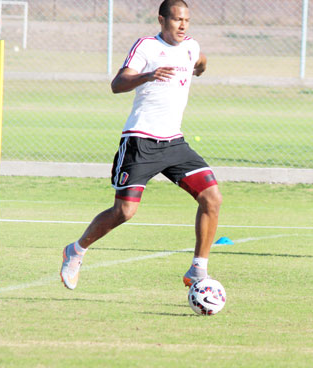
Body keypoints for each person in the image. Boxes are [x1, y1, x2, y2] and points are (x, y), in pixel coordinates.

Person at [60, 0, 222, 290]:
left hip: (174, 142)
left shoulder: (190, 46)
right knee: (124, 212)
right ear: (162, 20)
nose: (182, 25)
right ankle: (76, 250)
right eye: (176, 20)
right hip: (140, 141)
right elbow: (117, 83)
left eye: (186, 20)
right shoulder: (146, 46)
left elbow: (199, 60)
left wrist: (200, 69)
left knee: (212, 197)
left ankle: (198, 269)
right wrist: (148, 75)